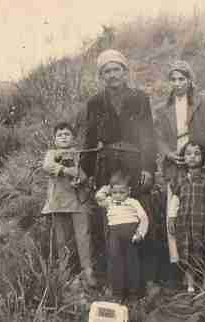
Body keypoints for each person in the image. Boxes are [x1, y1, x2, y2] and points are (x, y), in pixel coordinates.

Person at [75, 49, 157, 280]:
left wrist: (148, 168)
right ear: (102, 75)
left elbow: (148, 135)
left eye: (116, 69)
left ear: (125, 71)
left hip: (134, 164)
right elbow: (90, 138)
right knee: (109, 218)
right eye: (107, 71)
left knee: (139, 214)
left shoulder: (140, 98)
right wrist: (85, 169)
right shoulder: (95, 102)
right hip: (106, 166)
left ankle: (144, 277)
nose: (112, 75)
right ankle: (114, 277)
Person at [153, 60, 205, 266]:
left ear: (190, 80)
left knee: (203, 210)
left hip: (198, 160)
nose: (177, 83)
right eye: (173, 79)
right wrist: (168, 154)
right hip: (175, 163)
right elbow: (157, 137)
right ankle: (180, 263)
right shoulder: (163, 108)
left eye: (182, 79)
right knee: (175, 210)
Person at [40, 122, 97, 286]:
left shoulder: (80, 153)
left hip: (79, 201)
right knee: (62, 240)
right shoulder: (52, 153)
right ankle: (65, 274)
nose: (63, 137)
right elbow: (47, 166)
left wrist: (81, 179)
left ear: (73, 138)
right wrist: (66, 170)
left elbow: (86, 174)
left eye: (67, 134)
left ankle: (88, 271)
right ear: (54, 139)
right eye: (59, 135)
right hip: (58, 202)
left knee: (83, 237)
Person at [167, 141, 205, 293]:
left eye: (197, 153)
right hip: (185, 223)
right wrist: (172, 218)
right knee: (188, 254)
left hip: (203, 223)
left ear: (203, 157)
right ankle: (190, 285)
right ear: (183, 158)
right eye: (188, 154)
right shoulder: (180, 180)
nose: (192, 157)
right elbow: (175, 200)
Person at [95, 170, 149, 302]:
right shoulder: (109, 202)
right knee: (116, 262)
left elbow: (144, 218)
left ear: (129, 191)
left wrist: (140, 233)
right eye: (114, 192)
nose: (118, 196)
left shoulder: (133, 202)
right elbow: (98, 197)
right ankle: (118, 293)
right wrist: (107, 188)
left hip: (131, 236)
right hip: (115, 235)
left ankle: (133, 293)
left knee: (132, 263)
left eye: (122, 192)